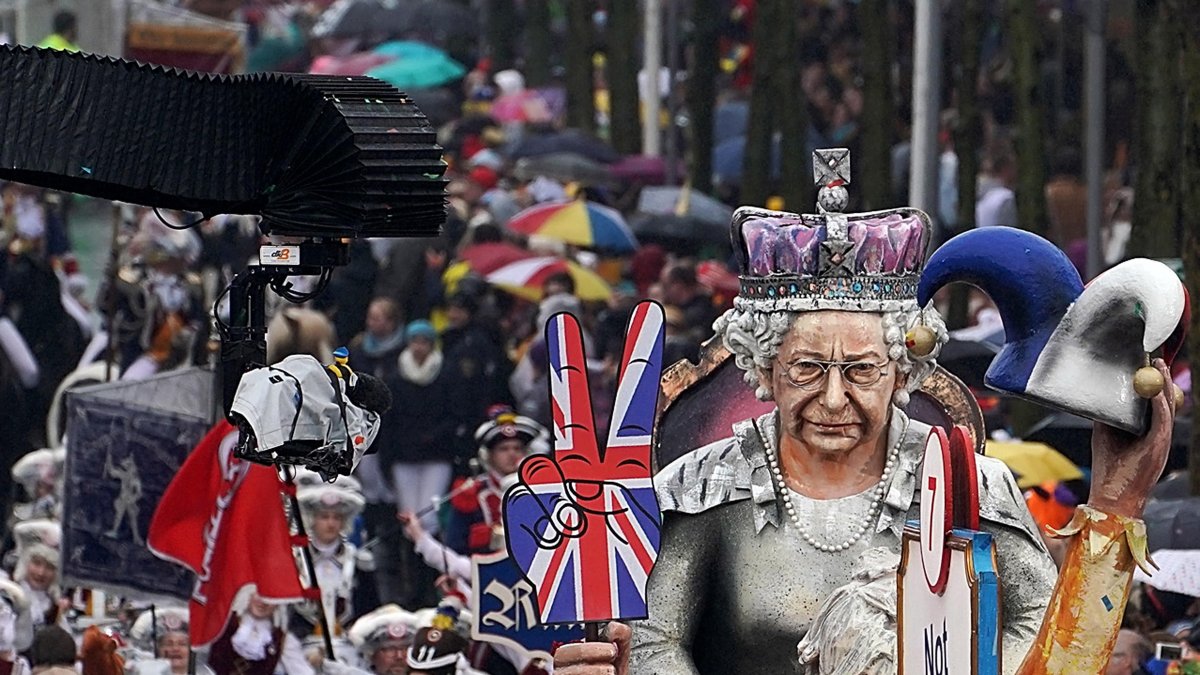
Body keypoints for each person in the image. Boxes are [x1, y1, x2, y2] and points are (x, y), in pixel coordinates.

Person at [556, 153, 1177, 674]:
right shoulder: (701, 487)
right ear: (764, 368)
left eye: (860, 371)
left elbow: (1051, 657)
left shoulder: (974, 489)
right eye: (806, 369)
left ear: (904, 372)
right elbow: (654, 640)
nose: (832, 400)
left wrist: (1114, 509)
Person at [445, 408, 547, 556]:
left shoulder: (540, 489)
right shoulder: (472, 491)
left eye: (517, 448)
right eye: (503, 449)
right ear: (489, 455)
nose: (512, 454)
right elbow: (455, 546)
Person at [207, 594, 313, 675]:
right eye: (258, 593)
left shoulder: (283, 640)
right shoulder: (222, 623)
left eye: (270, 596)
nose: (263, 602)